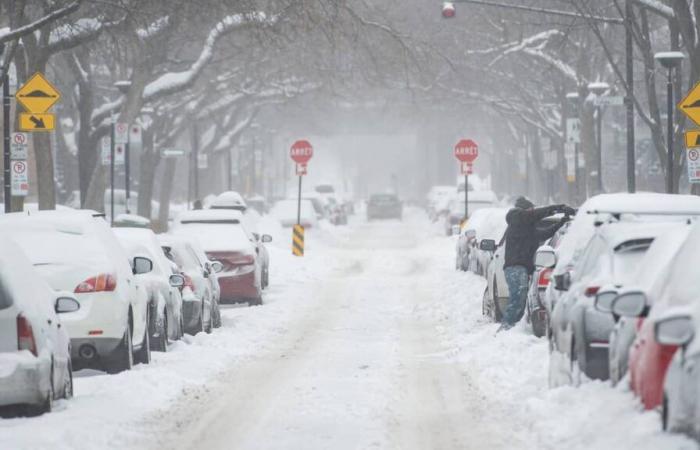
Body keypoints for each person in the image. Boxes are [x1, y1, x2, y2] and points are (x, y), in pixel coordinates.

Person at [499, 196, 575, 331]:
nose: (532, 212)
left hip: (520, 269)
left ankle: (512, 329)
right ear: (525, 210)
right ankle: (506, 328)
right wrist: (559, 208)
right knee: (517, 300)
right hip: (516, 268)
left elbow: (545, 233)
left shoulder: (526, 229)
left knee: (520, 301)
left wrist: (561, 222)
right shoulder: (517, 218)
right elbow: (536, 214)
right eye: (531, 210)